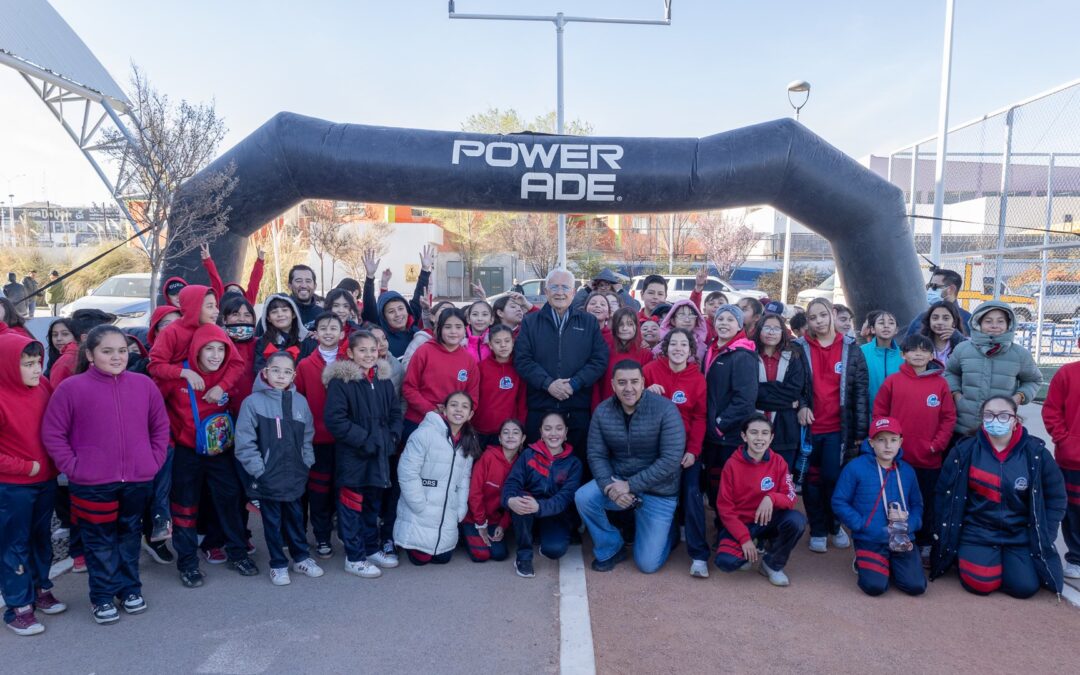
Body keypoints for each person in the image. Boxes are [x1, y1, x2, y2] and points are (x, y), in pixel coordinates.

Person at [41, 325, 169, 624]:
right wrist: (73, 467)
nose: (116, 357)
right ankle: (101, 596)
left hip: (137, 478)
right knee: (98, 541)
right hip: (92, 483)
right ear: (90, 354)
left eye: (122, 351)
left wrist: (153, 461)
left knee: (129, 534)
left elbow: (160, 427)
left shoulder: (143, 385)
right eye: (107, 351)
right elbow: (53, 433)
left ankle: (129, 590)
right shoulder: (71, 388)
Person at [932, 396, 1066, 598]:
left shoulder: (1036, 453)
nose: (996, 420)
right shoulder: (964, 450)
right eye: (989, 415)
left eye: (1004, 415)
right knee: (980, 584)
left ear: (1015, 420)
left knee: (1025, 588)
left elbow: (1056, 497)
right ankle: (972, 556)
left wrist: (1046, 534)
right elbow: (943, 493)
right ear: (982, 419)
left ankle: (1004, 560)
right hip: (977, 532)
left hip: (1018, 534)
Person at [575, 360, 685, 573]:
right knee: (584, 497)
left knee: (647, 565)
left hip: (658, 491)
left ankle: (668, 534)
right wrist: (609, 486)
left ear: (643, 383)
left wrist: (630, 485)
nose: (629, 388)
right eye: (622, 382)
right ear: (613, 385)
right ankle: (610, 547)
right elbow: (596, 454)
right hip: (619, 482)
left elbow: (671, 460)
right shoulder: (603, 411)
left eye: (634, 381)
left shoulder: (666, 409)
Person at [234, 351, 323, 586]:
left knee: (295, 518)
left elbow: (307, 436)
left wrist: (307, 461)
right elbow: (244, 441)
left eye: (287, 372)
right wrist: (259, 469)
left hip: (295, 474)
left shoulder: (300, 402)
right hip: (267, 476)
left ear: (293, 375)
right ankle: (278, 563)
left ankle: (301, 557)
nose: (281, 376)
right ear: (265, 372)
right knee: (272, 523)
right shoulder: (252, 403)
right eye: (276, 370)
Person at [323, 330, 404, 578]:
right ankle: (354, 556)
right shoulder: (341, 382)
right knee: (351, 507)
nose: (368, 355)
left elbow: (394, 413)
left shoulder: (382, 380)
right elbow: (335, 420)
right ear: (350, 353)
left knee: (372, 503)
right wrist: (365, 440)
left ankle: (370, 548)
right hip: (354, 457)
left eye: (372, 349)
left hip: (379, 455)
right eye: (362, 350)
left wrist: (391, 437)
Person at [0, 334, 66, 636]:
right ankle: (18, 607)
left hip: (46, 482)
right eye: (27, 364)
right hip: (13, 487)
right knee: (15, 544)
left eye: (38, 362)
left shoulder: (42, 386)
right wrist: (27, 467)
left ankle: (41, 588)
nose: (36, 369)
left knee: (41, 538)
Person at [872, 334, 956, 562]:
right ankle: (894, 538)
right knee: (897, 499)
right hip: (898, 458)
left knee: (926, 501)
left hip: (929, 458)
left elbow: (948, 418)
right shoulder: (893, 381)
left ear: (932, 355)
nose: (918, 354)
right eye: (913, 350)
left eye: (924, 350)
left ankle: (925, 541)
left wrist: (937, 445)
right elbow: (880, 413)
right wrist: (888, 445)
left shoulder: (940, 383)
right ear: (903, 354)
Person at [795, 297, 869, 554]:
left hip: (839, 428)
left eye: (823, 315)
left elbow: (860, 391)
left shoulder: (852, 348)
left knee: (833, 479)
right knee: (811, 481)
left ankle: (834, 525)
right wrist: (803, 404)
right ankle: (817, 528)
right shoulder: (800, 347)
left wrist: (861, 432)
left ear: (832, 314)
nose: (819, 322)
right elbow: (797, 384)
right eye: (813, 318)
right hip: (810, 428)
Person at [515, 268, 609, 457]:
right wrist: (547, 384)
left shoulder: (588, 322)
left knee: (576, 467)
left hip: (576, 409)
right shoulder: (530, 322)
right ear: (546, 291)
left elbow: (599, 360)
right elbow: (522, 359)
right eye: (554, 287)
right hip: (541, 407)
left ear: (573, 292)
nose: (560, 292)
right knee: (537, 468)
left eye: (565, 287)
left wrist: (575, 383)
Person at [832, 417, 926, 597]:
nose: (887, 446)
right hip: (871, 538)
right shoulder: (855, 467)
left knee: (916, 587)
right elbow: (839, 501)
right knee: (875, 587)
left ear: (900, 442)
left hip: (902, 538)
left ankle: (890, 564)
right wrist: (861, 525)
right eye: (881, 440)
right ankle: (865, 561)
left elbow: (917, 504)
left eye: (893, 440)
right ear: (871, 443)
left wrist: (911, 525)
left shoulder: (907, 471)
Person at [643, 329, 708, 577]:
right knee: (657, 494)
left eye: (684, 345)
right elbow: (629, 403)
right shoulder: (650, 371)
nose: (678, 349)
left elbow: (700, 417)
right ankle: (662, 540)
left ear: (691, 351)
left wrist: (693, 451)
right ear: (665, 347)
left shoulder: (697, 378)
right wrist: (645, 394)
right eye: (674, 344)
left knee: (691, 492)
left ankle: (699, 556)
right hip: (655, 449)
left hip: (685, 449)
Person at [714, 416, 805, 587]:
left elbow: (791, 497)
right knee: (726, 562)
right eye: (753, 433)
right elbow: (725, 509)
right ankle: (751, 545)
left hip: (769, 521)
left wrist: (771, 497)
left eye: (765, 433)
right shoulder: (732, 465)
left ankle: (771, 564)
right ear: (744, 436)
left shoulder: (779, 462)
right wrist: (744, 538)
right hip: (743, 523)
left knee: (796, 521)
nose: (759, 438)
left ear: (771, 438)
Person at [394, 391, 480, 566]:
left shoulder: (468, 440)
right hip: (422, 505)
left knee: (443, 558)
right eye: (454, 405)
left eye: (465, 407)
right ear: (444, 409)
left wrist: (460, 507)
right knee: (421, 559)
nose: (458, 410)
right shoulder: (425, 433)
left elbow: (464, 478)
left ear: (470, 414)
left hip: (447, 509)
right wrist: (418, 503)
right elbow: (407, 472)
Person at [503, 412, 583, 578]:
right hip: (528, 509)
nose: (553, 433)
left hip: (554, 513)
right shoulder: (528, 454)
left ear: (566, 432)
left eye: (558, 428)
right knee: (520, 499)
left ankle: (540, 536)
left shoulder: (574, 463)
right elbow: (512, 482)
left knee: (554, 550)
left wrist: (540, 507)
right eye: (548, 429)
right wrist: (510, 500)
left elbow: (564, 498)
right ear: (540, 432)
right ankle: (523, 556)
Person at [944, 301, 1041, 436]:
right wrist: (956, 395)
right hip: (964, 426)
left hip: (1000, 428)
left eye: (1000, 321)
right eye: (988, 321)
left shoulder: (1019, 354)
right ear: (978, 323)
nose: (994, 325)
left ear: (1009, 325)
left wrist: (1019, 397)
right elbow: (950, 372)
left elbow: (1033, 380)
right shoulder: (963, 349)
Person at [294, 312, 343, 557]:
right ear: (316, 333)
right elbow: (298, 402)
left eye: (333, 328)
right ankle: (322, 536)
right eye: (323, 327)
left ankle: (346, 533)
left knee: (343, 490)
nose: (328, 332)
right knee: (319, 492)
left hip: (345, 440)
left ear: (342, 333)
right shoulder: (304, 365)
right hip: (317, 440)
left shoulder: (350, 361)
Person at [149, 285, 246, 406]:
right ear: (193, 307)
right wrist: (185, 373)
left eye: (215, 305)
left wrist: (221, 386)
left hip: (209, 398)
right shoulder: (171, 332)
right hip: (176, 402)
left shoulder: (216, 331)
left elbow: (237, 364)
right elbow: (155, 366)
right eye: (210, 306)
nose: (217, 311)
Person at [702, 305, 759, 504]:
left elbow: (745, 399)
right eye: (720, 319)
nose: (724, 323)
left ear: (739, 325)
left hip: (728, 435)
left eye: (730, 320)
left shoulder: (742, 354)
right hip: (712, 434)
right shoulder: (713, 348)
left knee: (728, 489)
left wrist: (719, 425)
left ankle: (730, 532)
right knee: (713, 486)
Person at [402, 308, 480, 437]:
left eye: (458, 327)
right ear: (439, 328)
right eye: (448, 327)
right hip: (419, 421)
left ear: (465, 329)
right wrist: (432, 410)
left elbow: (473, 397)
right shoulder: (424, 351)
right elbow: (409, 387)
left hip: (452, 425)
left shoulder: (468, 360)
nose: (453, 332)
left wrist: (456, 413)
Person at [753, 313, 811, 469]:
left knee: (782, 477)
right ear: (759, 330)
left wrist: (762, 395)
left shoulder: (793, 356)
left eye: (776, 328)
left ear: (783, 332)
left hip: (786, 428)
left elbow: (793, 391)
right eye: (767, 328)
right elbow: (749, 392)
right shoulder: (749, 354)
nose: (771, 332)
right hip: (754, 427)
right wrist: (786, 403)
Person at [462, 419, 524, 564]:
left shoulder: (521, 464)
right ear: (499, 438)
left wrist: (502, 525)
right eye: (505, 432)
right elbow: (474, 493)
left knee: (499, 554)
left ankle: (479, 536)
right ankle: (464, 533)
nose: (510, 436)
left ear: (523, 439)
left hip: (494, 518)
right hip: (474, 516)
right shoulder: (488, 457)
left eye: (515, 433)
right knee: (481, 556)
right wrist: (481, 523)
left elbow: (515, 499)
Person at [1042, 349, 1080, 579]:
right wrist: (1064, 440)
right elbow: (1052, 410)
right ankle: (1076, 558)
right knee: (1073, 510)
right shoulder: (1067, 373)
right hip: (1072, 459)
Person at [361, 247, 434, 358]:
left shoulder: (416, 331)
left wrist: (424, 270)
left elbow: (418, 295)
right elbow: (369, 308)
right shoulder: (381, 335)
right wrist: (370, 278)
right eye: (391, 311)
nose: (398, 314)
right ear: (384, 316)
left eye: (401, 308)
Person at [474, 324, 526, 447]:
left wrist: (521, 427)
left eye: (507, 341)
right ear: (490, 345)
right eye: (497, 342)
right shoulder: (481, 368)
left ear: (513, 342)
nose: (503, 345)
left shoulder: (519, 368)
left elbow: (522, 402)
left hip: (507, 433)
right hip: (480, 429)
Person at [594, 307, 653, 412]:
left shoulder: (646, 354)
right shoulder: (605, 350)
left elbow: (647, 386)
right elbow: (597, 384)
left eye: (630, 324)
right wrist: (596, 409)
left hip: (636, 410)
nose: (625, 328)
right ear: (615, 327)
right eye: (621, 324)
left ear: (636, 326)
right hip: (607, 409)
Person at [253, 294, 313, 374]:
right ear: (268, 318)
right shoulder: (262, 343)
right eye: (274, 312)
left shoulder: (307, 340)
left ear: (294, 314)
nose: (280, 315)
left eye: (284, 310)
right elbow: (259, 370)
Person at [905, 268, 972, 338]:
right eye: (929, 286)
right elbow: (905, 346)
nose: (930, 290)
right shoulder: (920, 318)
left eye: (935, 286)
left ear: (951, 289)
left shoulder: (969, 321)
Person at [860, 310, 902, 409]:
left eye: (891, 323)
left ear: (896, 330)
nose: (886, 326)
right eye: (881, 323)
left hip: (896, 412)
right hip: (869, 412)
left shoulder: (904, 355)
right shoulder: (861, 352)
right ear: (872, 329)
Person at [200, 243, 264, 306]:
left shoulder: (247, 303)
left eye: (238, 291)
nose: (235, 293)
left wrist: (260, 261)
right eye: (232, 291)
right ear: (225, 295)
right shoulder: (222, 303)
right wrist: (207, 260)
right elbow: (216, 280)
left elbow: (254, 282)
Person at [652, 299, 708, 364]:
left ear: (696, 320)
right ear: (673, 321)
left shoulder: (704, 349)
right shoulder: (660, 348)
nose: (687, 320)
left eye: (691, 315)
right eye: (682, 315)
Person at [919, 300, 967, 366]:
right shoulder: (919, 343)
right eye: (935, 318)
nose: (940, 322)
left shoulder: (966, 343)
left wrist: (957, 338)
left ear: (954, 322)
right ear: (929, 321)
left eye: (946, 318)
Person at [572, 269, 640, 312]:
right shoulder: (589, 301)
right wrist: (587, 289)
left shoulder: (619, 300)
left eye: (607, 285)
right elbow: (573, 307)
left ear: (613, 287)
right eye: (600, 285)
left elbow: (634, 309)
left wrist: (620, 291)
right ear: (595, 287)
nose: (603, 288)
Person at [285, 264, 322, 329]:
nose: (304, 285)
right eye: (298, 281)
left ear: (315, 286)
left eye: (308, 281)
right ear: (289, 286)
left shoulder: (322, 313)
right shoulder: (279, 314)